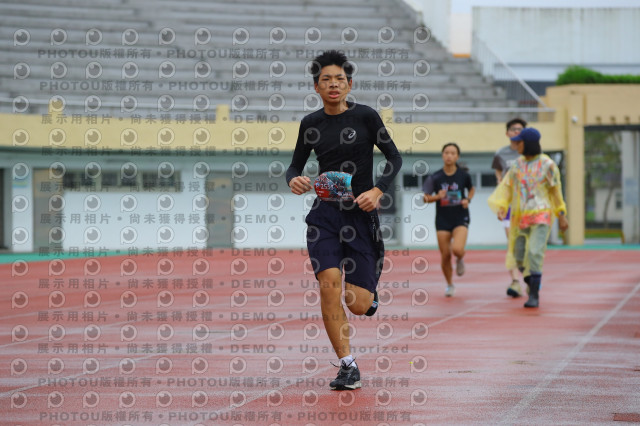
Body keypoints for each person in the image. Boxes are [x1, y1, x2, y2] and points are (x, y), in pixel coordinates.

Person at [286, 50, 402, 390]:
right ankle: (347, 366)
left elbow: (394, 157)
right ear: (316, 87)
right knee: (328, 285)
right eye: (326, 80)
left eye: (339, 79)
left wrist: (378, 190)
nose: (333, 84)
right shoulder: (310, 124)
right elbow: (294, 166)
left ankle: (369, 297)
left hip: (361, 216)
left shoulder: (366, 117)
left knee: (357, 303)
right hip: (324, 215)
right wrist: (293, 180)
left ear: (349, 84)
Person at [488, 127, 569, 308]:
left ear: (529, 144)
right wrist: (502, 206)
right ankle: (531, 281)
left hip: (541, 216)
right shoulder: (517, 165)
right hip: (520, 217)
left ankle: (534, 294)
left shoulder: (548, 165)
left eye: (519, 142)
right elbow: (507, 187)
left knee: (534, 252)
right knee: (518, 255)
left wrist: (561, 214)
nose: (515, 145)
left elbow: (556, 192)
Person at [422, 142, 475, 297]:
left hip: (460, 217)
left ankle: (460, 258)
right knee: (445, 255)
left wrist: (468, 200)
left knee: (457, 249)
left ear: (457, 156)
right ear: (442, 155)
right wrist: (438, 196)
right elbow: (425, 198)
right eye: (446, 152)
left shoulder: (463, 175)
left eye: (453, 153)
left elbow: (471, 189)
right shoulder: (435, 177)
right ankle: (450, 284)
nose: (449, 156)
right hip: (442, 220)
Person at [492, 118, 527, 297]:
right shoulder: (501, 154)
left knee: (527, 244)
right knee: (512, 243)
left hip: (529, 205)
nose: (516, 131)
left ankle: (530, 278)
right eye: (513, 129)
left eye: (520, 129)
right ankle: (515, 282)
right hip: (510, 205)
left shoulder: (531, 153)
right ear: (507, 133)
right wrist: (501, 204)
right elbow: (499, 180)